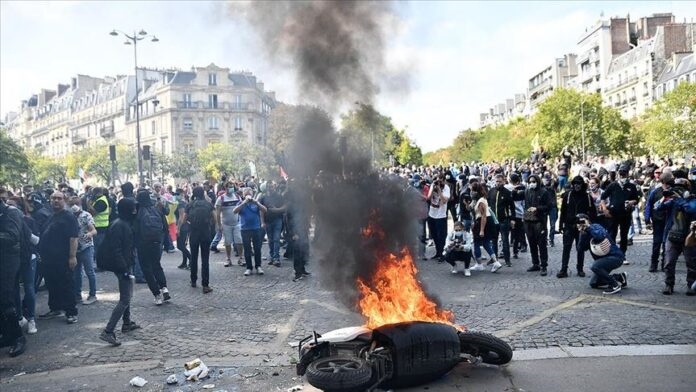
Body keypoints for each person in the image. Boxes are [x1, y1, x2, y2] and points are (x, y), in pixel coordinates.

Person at [97, 198, 141, 346]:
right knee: (125, 299)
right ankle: (108, 331)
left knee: (127, 296)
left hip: (125, 265)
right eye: (133, 208)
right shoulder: (119, 225)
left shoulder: (121, 223)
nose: (135, 211)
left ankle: (127, 323)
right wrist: (124, 270)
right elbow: (116, 250)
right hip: (122, 266)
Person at [38, 192, 79, 324]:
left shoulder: (69, 217)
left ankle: (71, 312)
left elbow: (73, 238)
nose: (56, 201)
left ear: (64, 200)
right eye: (53, 198)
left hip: (63, 258)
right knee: (52, 284)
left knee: (66, 284)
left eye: (59, 198)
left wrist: (72, 257)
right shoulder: (51, 216)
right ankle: (55, 308)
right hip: (49, 259)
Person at [653, 179, 696, 295]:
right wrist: (664, 197)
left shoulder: (692, 200)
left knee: (691, 263)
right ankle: (669, 284)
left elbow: (690, 209)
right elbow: (657, 207)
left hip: (689, 236)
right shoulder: (673, 201)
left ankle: (691, 285)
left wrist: (680, 200)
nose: (678, 190)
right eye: (676, 188)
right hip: (672, 235)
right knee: (669, 262)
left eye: (681, 188)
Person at [0, 195, 28, 356]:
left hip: (9, 260)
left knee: (6, 298)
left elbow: (12, 236)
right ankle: (8, 334)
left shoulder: (11, 212)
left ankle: (18, 337)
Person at [576, 214, 627, 295]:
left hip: (615, 257)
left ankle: (614, 285)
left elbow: (600, 236)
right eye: (578, 222)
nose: (581, 223)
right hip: (604, 261)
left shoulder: (596, 226)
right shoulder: (584, 233)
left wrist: (588, 227)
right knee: (593, 283)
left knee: (595, 266)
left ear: (588, 220)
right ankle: (620, 277)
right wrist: (582, 233)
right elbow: (580, 249)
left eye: (582, 221)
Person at [134, 190, 170, 305]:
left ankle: (157, 295)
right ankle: (164, 288)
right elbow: (165, 226)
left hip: (142, 244)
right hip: (156, 242)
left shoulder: (138, 212)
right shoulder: (156, 209)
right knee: (157, 266)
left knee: (147, 270)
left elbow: (135, 229)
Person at [600, 164, 641, 264]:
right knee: (611, 235)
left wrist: (632, 202)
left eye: (624, 174)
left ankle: (622, 255)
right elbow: (602, 197)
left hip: (626, 214)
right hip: (613, 214)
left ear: (627, 174)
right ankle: (612, 254)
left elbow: (636, 199)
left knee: (624, 236)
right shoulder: (613, 185)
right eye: (621, 174)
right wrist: (605, 209)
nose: (622, 176)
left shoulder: (631, 186)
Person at [558, 176, 596, 278]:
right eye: (575, 183)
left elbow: (593, 212)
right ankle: (563, 269)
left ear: (582, 185)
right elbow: (563, 211)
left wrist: (588, 222)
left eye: (578, 184)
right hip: (569, 225)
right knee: (566, 248)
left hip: (582, 226)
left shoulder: (587, 197)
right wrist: (561, 225)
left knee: (580, 248)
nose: (576, 185)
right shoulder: (568, 195)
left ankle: (580, 269)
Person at [68, 196, 98, 305]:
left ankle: (92, 294)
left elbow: (94, 230)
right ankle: (77, 296)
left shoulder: (86, 215)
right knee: (77, 273)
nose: (73, 207)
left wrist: (89, 234)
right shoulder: (69, 216)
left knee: (90, 271)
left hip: (86, 247)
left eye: (74, 204)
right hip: (75, 249)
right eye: (71, 205)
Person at [186, 186, 216, 293]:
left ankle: (193, 280)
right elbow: (215, 217)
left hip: (194, 233)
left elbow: (185, 219)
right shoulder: (208, 204)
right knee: (205, 259)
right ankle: (205, 285)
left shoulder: (190, 205)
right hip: (205, 233)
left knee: (193, 257)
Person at [233, 188, 268, 276]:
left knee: (257, 248)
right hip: (245, 229)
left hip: (256, 228)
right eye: (246, 193)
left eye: (250, 193)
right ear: (244, 195)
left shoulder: (255, 203)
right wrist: (244, 203)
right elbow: (235, 211)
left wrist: (256, 202)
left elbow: (265, 210)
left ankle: (258, 266)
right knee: (247, 249)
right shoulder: (241, 203)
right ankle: (249, 267)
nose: (248, 195)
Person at [523, 174, 553, 276]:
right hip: (528, 220)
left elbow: (549, 206)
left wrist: (537, 208)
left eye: (533, 182)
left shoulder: (544, 192)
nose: (532, 184)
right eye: (530, 182)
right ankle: (535, 263)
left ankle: (543, 265)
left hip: (540, 221)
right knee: (532, 243)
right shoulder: (527, 191)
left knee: (542, 244)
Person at [470, 182, 502, 273]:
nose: (471, 192)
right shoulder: (480, 199)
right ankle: (495, 262)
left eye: (472, 190)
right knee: (485, 243)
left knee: (477, 242)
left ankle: (479, 264)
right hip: (484, 222)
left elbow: (483, 216)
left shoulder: (481, 201)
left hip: (483, 222)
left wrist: (481, 230)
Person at [644, 172, 672, 272]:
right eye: (667, 182)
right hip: (657, 221)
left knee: (666, 244)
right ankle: (654, 263)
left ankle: (665, 264)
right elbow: (649, 205)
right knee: (657, 243)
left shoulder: (673, 192)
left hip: (668, 221)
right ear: (663, 182)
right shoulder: (655, 192)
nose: (668, 185)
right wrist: (647, 218)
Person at [215, 181, 243, 267]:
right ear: (225, 188)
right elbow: (217, 213)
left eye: (232, 187)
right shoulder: (221, 198)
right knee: (227, 242)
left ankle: (241, 258)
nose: (230, 188)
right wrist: (219, 225)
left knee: (239, 241)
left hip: (237, 223)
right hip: (226, 224)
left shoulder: (238, 197)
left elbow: (241, 209)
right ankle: (228, 259)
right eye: (228, 187)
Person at [488, 174, 514, 267]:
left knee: (505, 241)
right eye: (497, 181)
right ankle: (494, 259)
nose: (498, 183)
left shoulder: (507, 192)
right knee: (493, 241)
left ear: (503, 181)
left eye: (500, 181)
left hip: (504, 220)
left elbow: (512, 206)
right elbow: (488, 205)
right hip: (493, 221)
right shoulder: (491, 191)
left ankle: (507, 260)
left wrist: (512, 219)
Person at [259, 182, 287, 267]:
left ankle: (276, 258)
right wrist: (262, 222)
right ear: (266, 187)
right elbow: (261, 210)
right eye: (268, 186)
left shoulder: (279, 196)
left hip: (277, 220)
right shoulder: (263, 197)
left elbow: (285, 206)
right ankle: (272, 256)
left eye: (272, 186)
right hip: (267, 221)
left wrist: (277, 210)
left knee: (276, 239)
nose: (270, 188)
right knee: (270, 240)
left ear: (274, 187)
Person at [426, 176, 450, 260]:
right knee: (434, 235)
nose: (438, 183)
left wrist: (439, 190)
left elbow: (444, 201)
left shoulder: (446, 188)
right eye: (437, 181)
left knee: (441, 236)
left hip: (441, 215)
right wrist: (433, 188)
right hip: (432, 214)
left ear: (443, 181)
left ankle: (442, 254)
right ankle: (438, 252)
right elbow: (428, 198)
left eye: (440, 181)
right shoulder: (433, 186)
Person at [174, 189, 191, 270]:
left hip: (182, 226)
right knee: (183, 245)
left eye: (178, 194)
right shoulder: (185, 203)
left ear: (182, 194)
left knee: (180, 246)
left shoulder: (181, 204)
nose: (176, 195)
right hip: (186, 225)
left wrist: (178, 229)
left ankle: (191, 259)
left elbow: (181, 217)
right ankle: (184, 262)